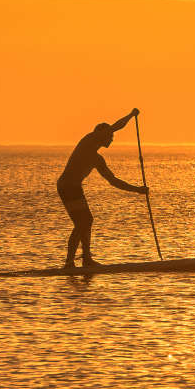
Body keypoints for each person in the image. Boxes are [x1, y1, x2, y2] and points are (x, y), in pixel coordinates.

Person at [58, 111, 147, 270]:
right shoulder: (89, 139)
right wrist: (131, 115)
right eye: (110, 136)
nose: (112, 139)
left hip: (75, 187)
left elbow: (113, 181)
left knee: (86, 221)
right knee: (82, 222)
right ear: (101, 134)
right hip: (66, 186)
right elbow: (117, 126)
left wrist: (137, 190)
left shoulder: (98, 159)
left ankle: (86, 259)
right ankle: (69, 263)